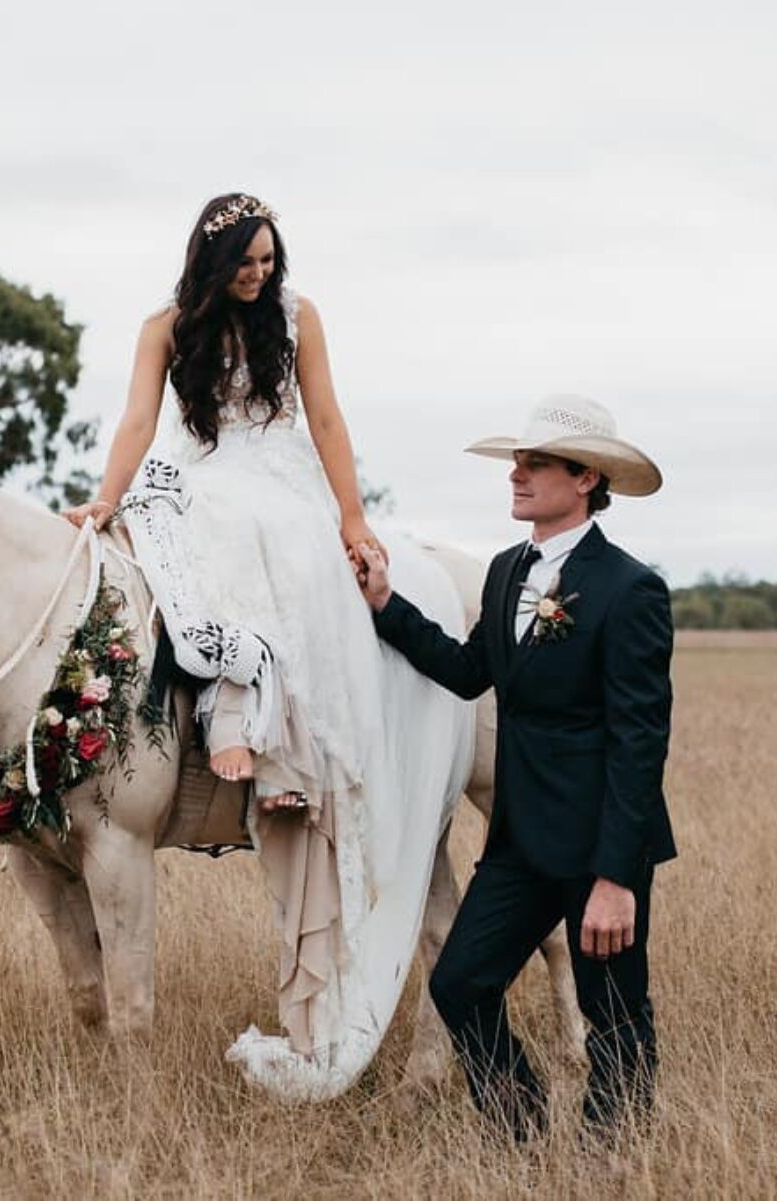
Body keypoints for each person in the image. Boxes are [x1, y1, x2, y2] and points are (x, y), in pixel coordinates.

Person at [62, 193, 465, 1097]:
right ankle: (215, 709)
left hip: (278, 484)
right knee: (163, 547)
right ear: (212, 261)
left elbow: (326, 420)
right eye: (246, 262)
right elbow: (136, 423)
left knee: (281, 555)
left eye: (270, 260)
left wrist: (353, 518)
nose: (261, 274)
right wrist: (103, 495)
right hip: (196, 475)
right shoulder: (165, 328)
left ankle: (277, 736)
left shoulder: (297, 316)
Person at [352, 395, 674, 1140]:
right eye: (516, 462)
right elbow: (468, 672)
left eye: (534, 464)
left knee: (615, 1013)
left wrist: (617, 879)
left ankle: (610, 1158)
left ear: (586, 477)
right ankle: (519, 1130)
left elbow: (639, 743)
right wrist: (385, 605)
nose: (517, 476)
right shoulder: (506, 572)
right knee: (460, 982)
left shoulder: (632, 590)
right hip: (520, 841)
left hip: (599, 845)